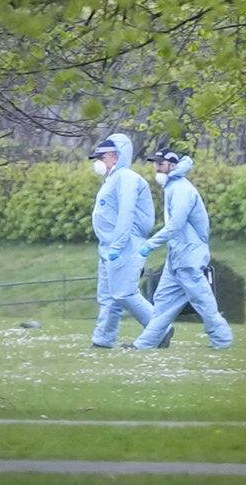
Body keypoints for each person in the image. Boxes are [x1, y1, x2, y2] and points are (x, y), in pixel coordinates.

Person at [127, 148, 233, 350]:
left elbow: (176, 225)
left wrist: (149, 245)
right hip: (177, 256)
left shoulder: (181, 189)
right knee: (162, 302)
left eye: (160, 164)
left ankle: (223, 341)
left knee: (203, 302)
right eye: (155, 163)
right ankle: (145, 344)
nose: (156, 168)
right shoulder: (172, 186)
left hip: (189, 256)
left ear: (172, 165)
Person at [87, 133, 161, 348]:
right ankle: (103, 340)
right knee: (108, 297)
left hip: (125, 245)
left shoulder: (126, 178)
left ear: (115, 156)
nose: (98, 162)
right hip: (109, 246)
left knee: (124, 293)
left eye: (102, 157)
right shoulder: (113, 179)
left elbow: (126, 213)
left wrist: (117, 246)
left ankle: (160, 330)